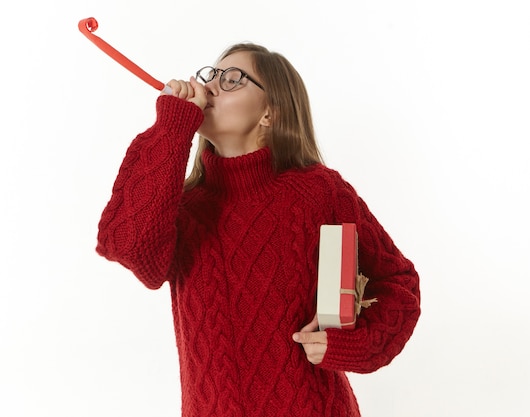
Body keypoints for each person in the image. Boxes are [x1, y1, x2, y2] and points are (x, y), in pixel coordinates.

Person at [96, 43, 420, 417]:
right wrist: (171, 127)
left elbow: (399, 283)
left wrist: (353, 345)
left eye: (232, 79)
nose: (212, 86)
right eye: (210, 75)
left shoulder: (320, 193)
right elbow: (127, 244)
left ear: (270, 113)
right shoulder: (184, 208)